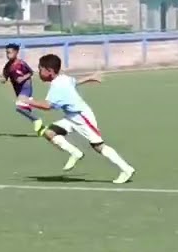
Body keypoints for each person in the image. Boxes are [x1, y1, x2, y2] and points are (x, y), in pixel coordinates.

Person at [18, 53, 135, 184]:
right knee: (49, 132)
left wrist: (28, 101)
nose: (38, 72)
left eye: (40, 69)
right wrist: (90, 78)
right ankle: (75, 153)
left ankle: (126, 169)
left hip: (82, 117)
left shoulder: (58, 86)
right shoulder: (63, 79)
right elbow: (74, 82)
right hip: (71, 116)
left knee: (98, 146)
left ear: (49, 71)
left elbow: (47, 106)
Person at [0, 43, 41, 133]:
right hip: (18, 89)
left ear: (16, 52)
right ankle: (39, 124)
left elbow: (30, 72)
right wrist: (4, 79)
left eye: (10, 53)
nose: (8, 55)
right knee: (23, 108)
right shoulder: (7, 66)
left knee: (19, 107)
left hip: (26, 87)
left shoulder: (21, 63)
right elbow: (5, 75)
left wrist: (23, 78)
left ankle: (37, 120)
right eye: (7, 53)